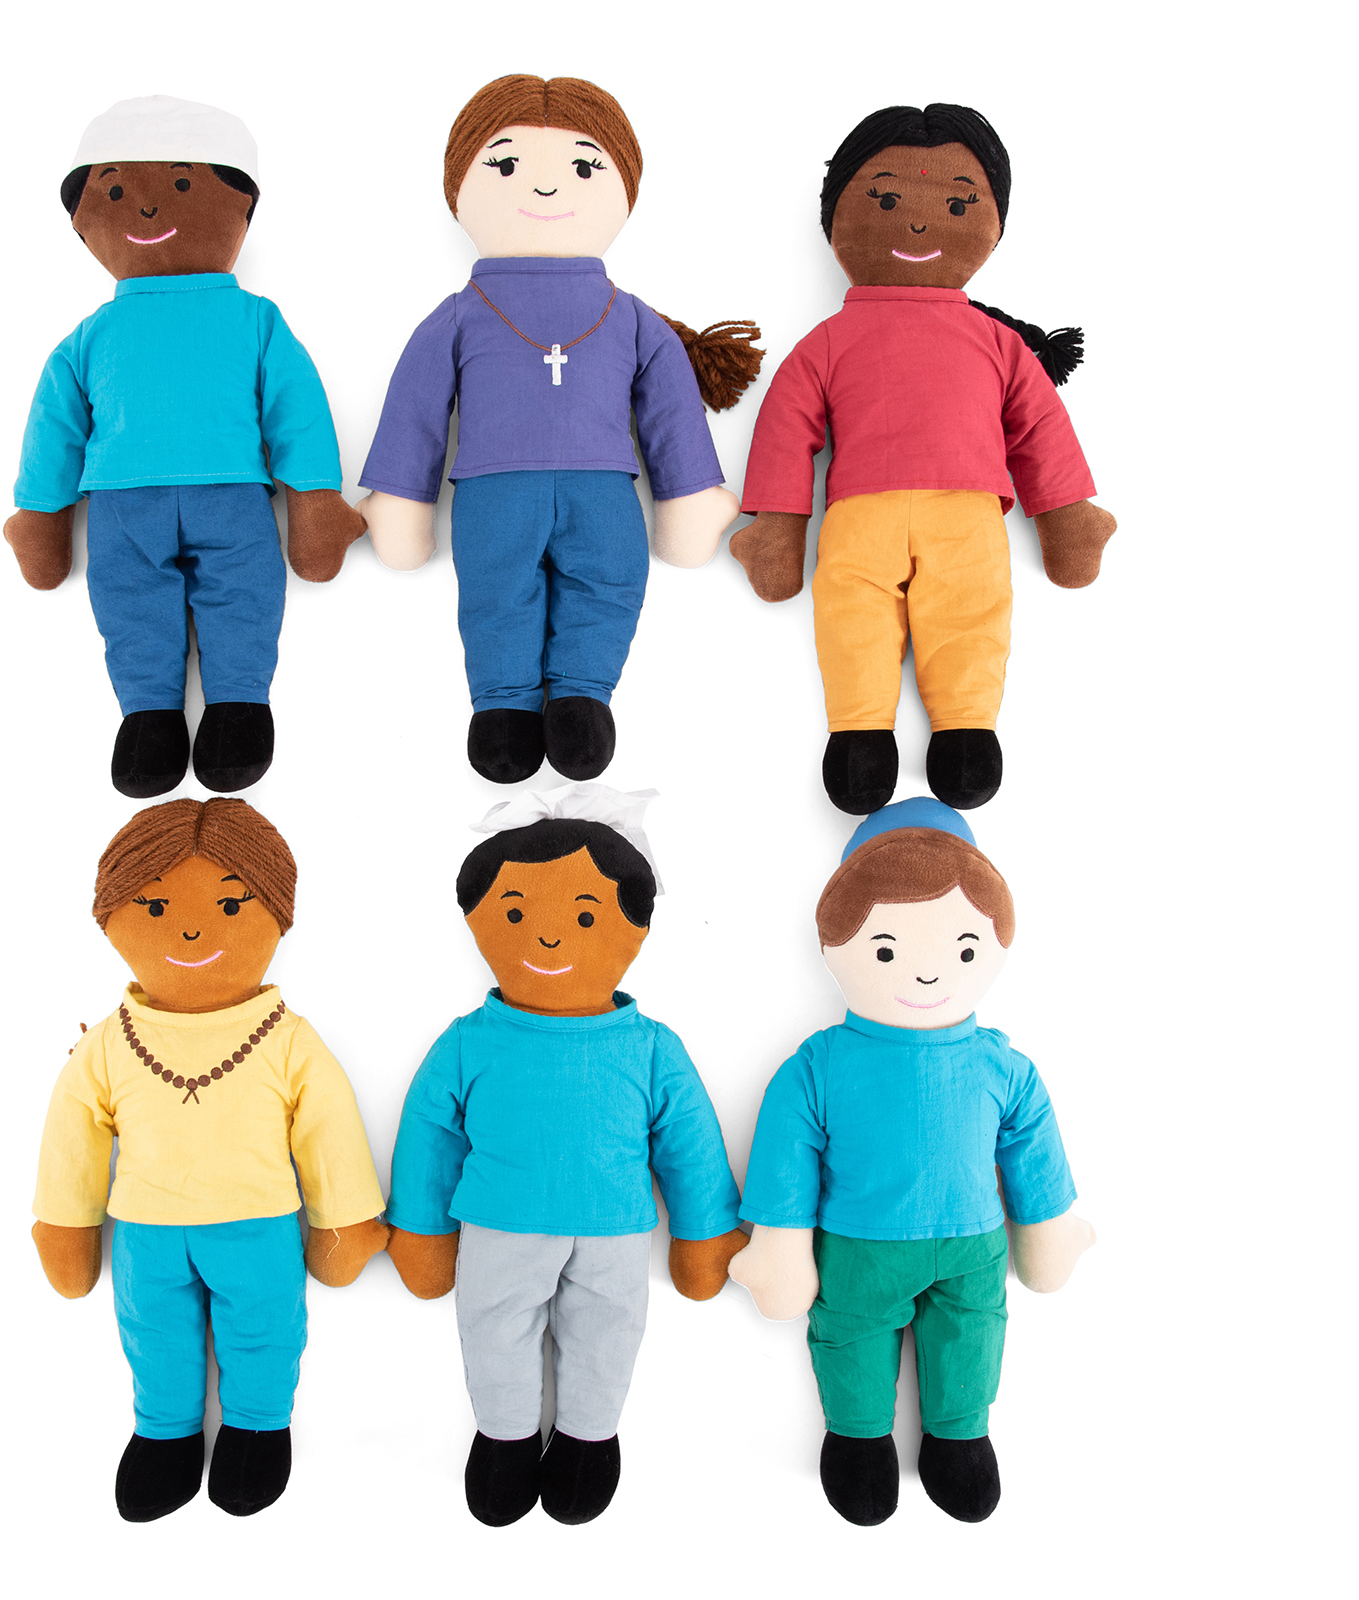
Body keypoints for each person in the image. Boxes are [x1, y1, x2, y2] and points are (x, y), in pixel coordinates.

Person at [358, 75, 762, 785]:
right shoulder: (461, 314)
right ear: (460, 188)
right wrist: (402, 495)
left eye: (582, 167)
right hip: (499, 490)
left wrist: (688, 491)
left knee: (609, 581)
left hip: (590, 488)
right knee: (496, 592)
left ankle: (583, 695)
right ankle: (503, 706)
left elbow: (671, 407)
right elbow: (415, 407)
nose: (545, 185)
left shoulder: (630, 316)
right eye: (506, 165)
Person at [731, 103, 1118, 813]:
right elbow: (787, 425)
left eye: (957, 205)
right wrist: (779, 525)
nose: (915, 222)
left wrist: (1064, 513)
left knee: (964, 615)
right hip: (875, 517)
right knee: (857, 618)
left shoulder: (996, 342)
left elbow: (1039, 425)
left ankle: (965, 729)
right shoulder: (829, 343)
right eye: (885, 201)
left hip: (951, 515)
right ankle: (860, 734)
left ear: (990, 221)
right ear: (839, 215)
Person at [385, 785, 747, 1525]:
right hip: (500, 1225)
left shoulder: (651, 1048)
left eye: (585, 917)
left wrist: (704, 1233)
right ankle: (504, 1437)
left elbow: (691, 1144)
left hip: (614, 1233)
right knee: (492, 1328)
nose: (549, 937)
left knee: (609, 1333)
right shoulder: (469, 1042)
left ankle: (589, 1438)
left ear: (634, 926)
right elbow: (429, 1135)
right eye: (516, 915)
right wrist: (421, 1230)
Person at [729, 797, 1095, 1524]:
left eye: (964, 950)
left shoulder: (1002, 1065)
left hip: (971, 1248)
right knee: (852, 1334)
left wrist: (1047, 1224)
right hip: (859, 1249)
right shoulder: (820, 1065)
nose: (928, 973)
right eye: (887, 950)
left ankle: (960, 1436)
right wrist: (781, 1242)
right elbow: (786, 1149)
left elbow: (1032, 1143)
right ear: (837, 942)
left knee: (973, 1334)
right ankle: (858, 1437)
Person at [32, 797, 388, 1522]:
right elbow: (73, 1131)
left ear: (275, 914)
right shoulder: (109, 1043)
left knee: (265, 1329)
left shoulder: (286, 1038)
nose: (191, 928)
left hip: (258, 1223)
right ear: (113, 915)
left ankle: (258, 1428)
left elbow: (327, 1122)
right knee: (153, 1335)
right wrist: (66, 1224)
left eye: (230, 905)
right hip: (146, 1229)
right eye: (155, 906)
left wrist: (345, 1219)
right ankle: (163, 1432)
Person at [5, 96, 365, 797]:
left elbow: (296, 410)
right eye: (115, 194)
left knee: (242, 596)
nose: (146, 208)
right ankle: (149, 713)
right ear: (84, 223)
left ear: (240, 207)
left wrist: (315, 500)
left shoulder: (256, 320)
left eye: (179, 185)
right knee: (132, 604)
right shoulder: (90, 337)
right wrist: (42, 514)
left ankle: (238, 706)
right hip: (128, 504)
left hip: (224, 494)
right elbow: (55, 426)